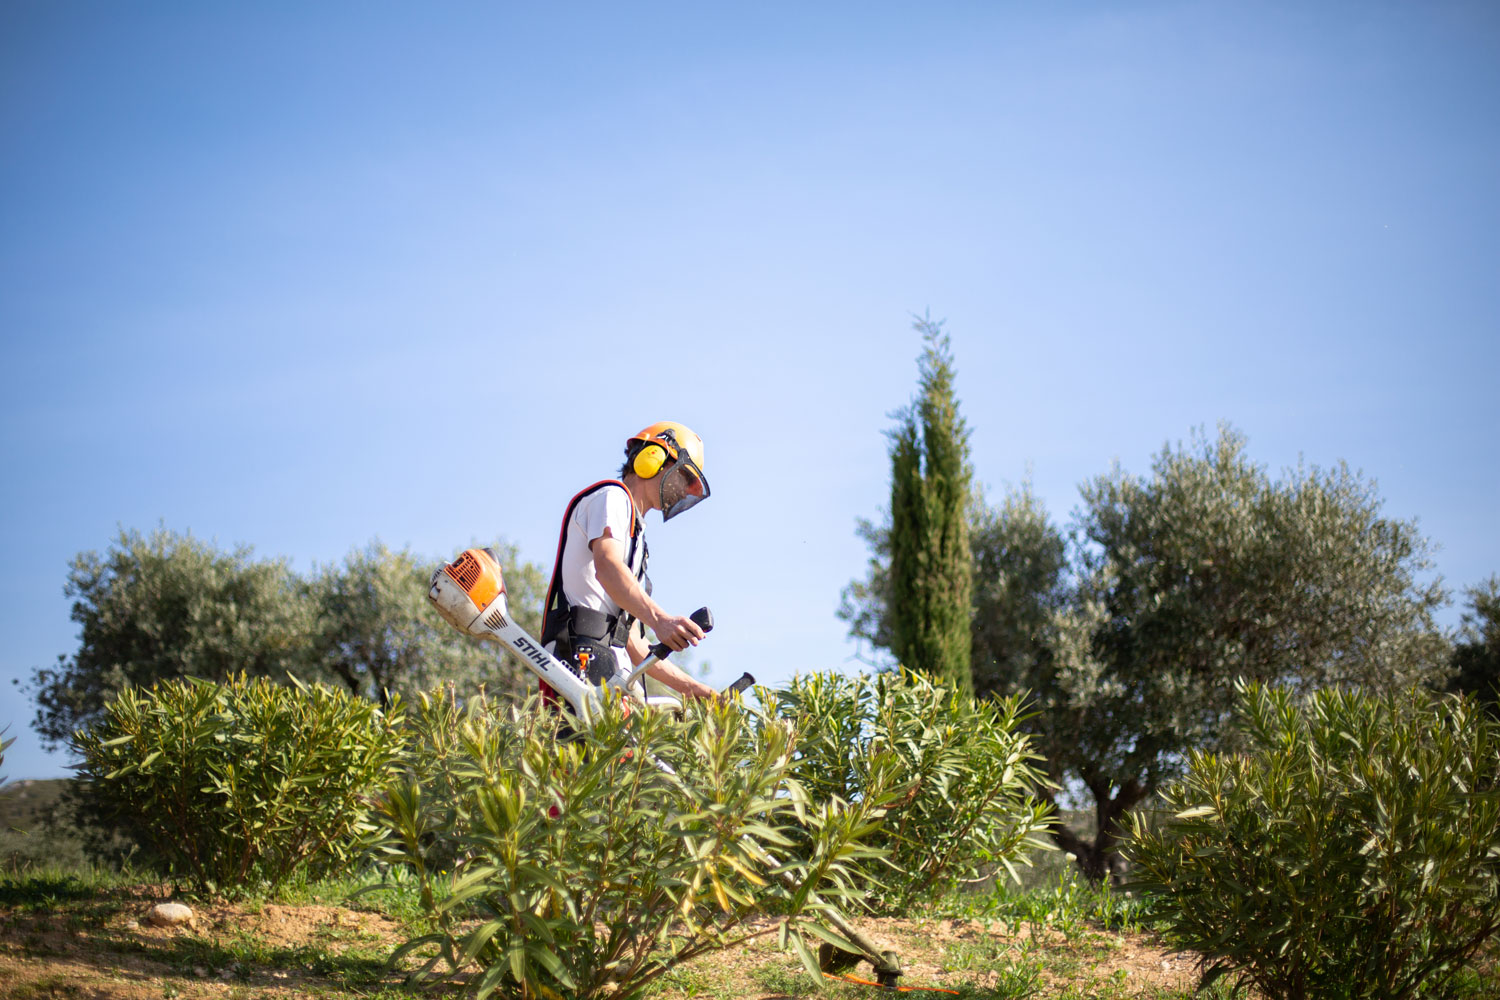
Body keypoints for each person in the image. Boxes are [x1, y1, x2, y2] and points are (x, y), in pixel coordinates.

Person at [538, 421, 718, 709]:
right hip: (579, 657)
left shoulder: (637, 540)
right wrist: (660, 620)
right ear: (653, 458)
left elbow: (633, 642)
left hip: (608, 667)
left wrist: (694, 689)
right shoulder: (612, 497)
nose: (685, 491)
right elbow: (607, 565)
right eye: (684, 477)